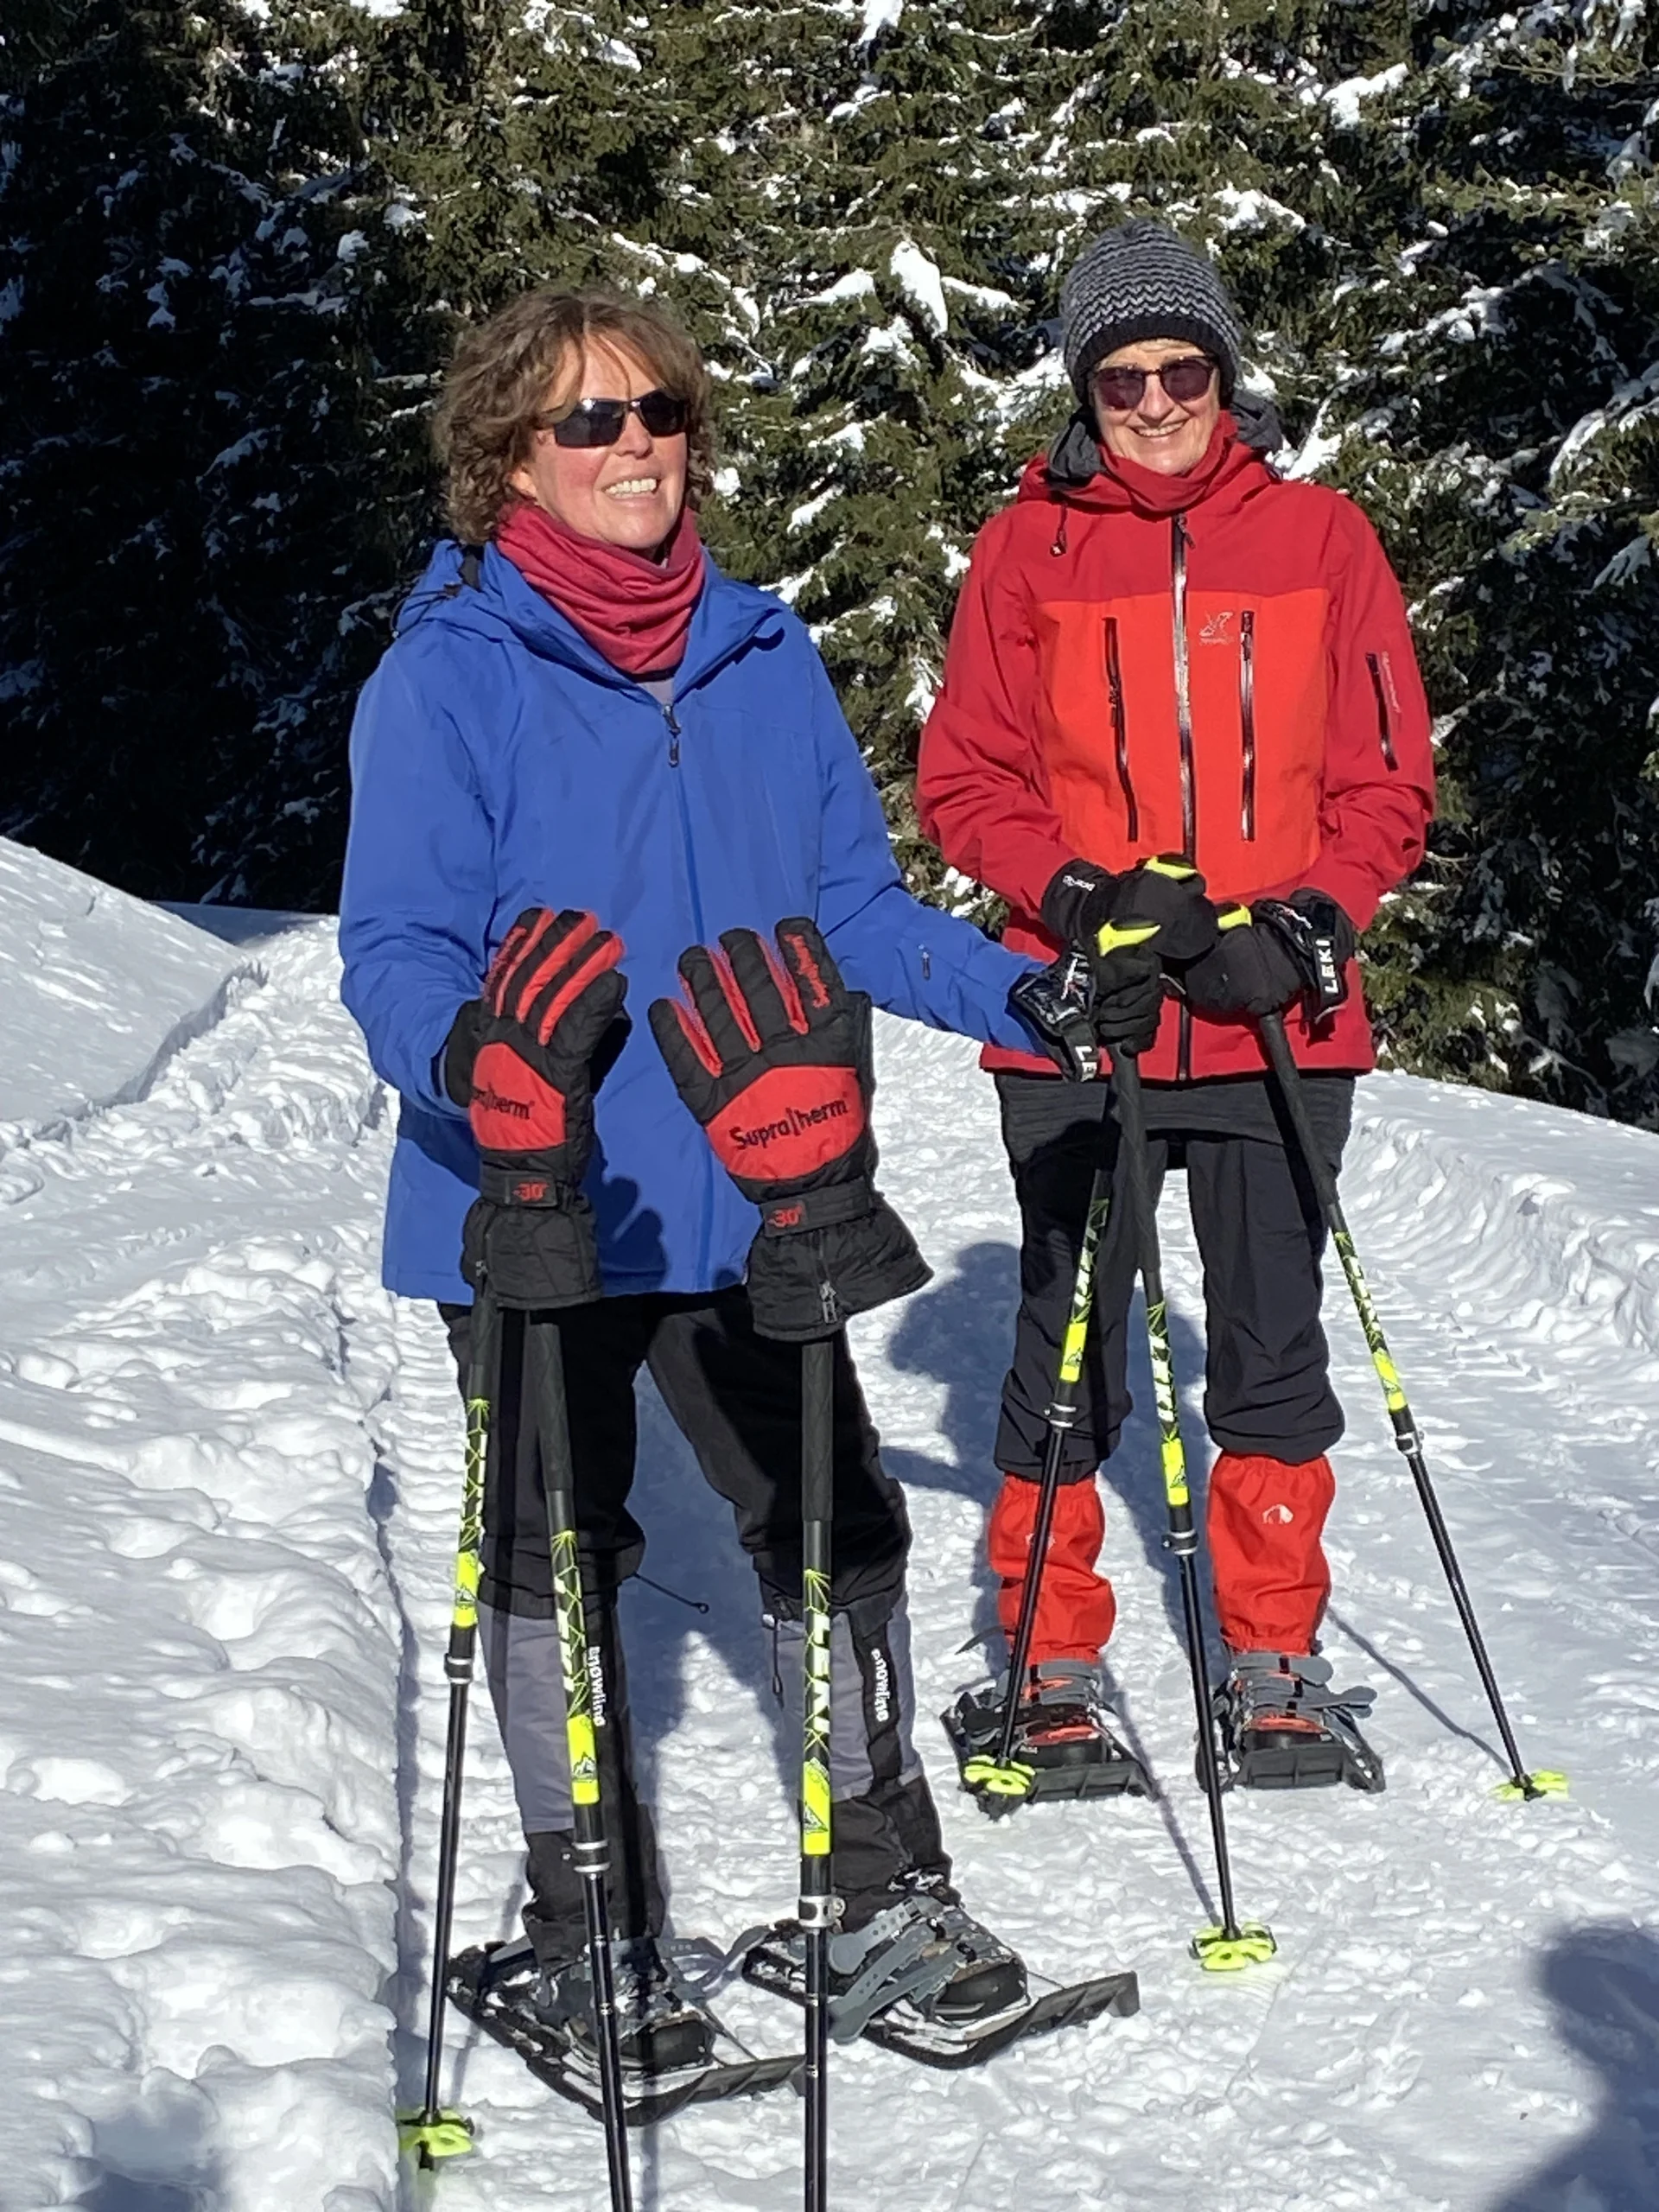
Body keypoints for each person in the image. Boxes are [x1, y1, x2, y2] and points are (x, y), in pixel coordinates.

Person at [338, 286, 1062, 2079]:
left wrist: (1030, 990)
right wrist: (478, 1065)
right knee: (558, 1556)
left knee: (838, 1530)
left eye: (661, 409)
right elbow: (398, 949)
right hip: (534, 1190)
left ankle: (878, 1897)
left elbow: (862, 912)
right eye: (592, 420)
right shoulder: (451, 671)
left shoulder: (760, 653)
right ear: (509, 447)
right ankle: (592, 1934)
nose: (639, 446)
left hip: (760, 1173)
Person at [917, 221, 1436, 1792]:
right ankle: (1042, 1654)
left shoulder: (1325, 541)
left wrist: (1308, 918)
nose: (1153, 402)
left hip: (1278, 1013)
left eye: (1181, 370)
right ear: (1085, 388)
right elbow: (968, 781)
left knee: (1272, 1349)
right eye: (1121, 375)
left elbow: (1387, 778)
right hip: (1090, 1011)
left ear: (1226, 374)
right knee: (1067, 1347)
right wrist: (1074, 900)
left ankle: (1274, 1656)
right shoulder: (1028, 551)